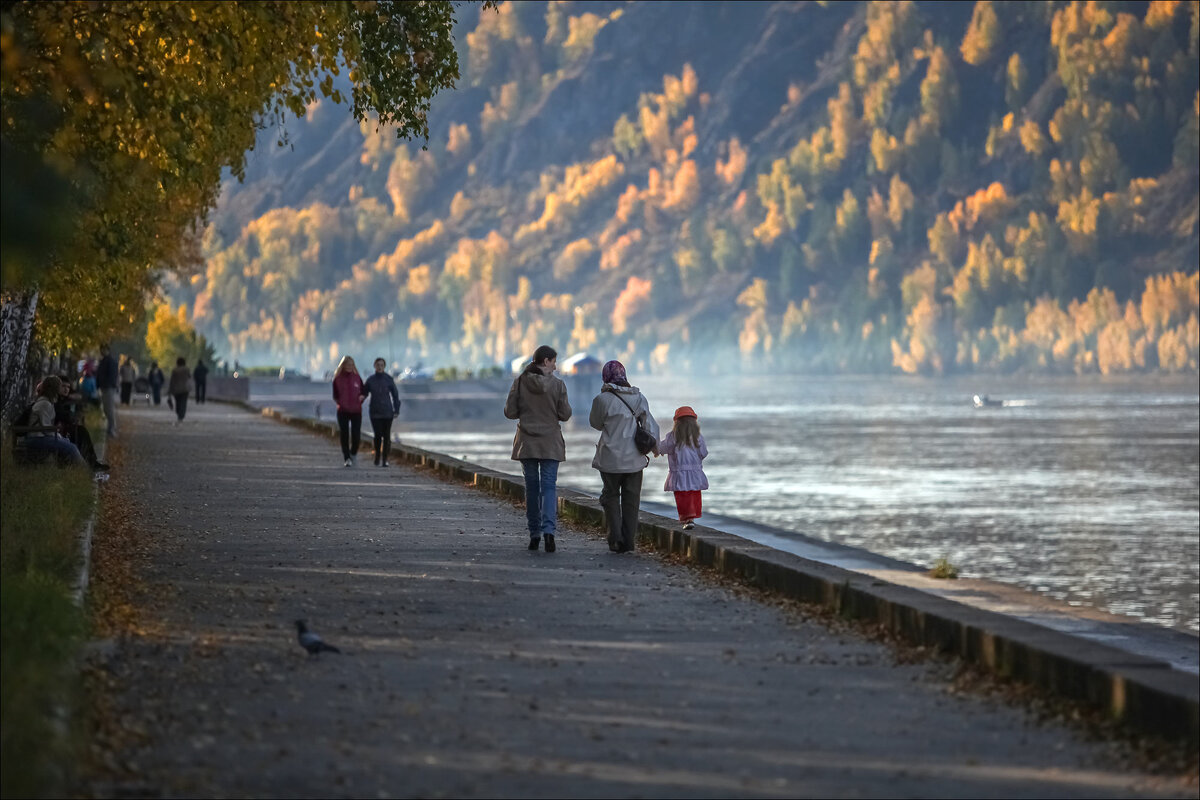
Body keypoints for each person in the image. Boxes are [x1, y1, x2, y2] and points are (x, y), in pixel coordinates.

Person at [504, 345, 572, 553]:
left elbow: (510, 412)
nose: (555, 364)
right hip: (550, 442)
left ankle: (534, 534)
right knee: (549, 487)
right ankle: (549, 532)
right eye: (553, 361)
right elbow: (565, 414)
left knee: (531, 488)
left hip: (527, 442)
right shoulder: (558, 385)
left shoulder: (520, 382)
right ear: (545, 361)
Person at [589, 359, 660, 554]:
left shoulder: (601, 400)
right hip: (634, 460)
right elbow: (650, 426)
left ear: (606, 377)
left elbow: (595, 423)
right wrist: (656, 447)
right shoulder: (639, 398)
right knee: (631, 500)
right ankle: (628, 542)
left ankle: (615, 539)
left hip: (610, 459)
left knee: (611, 497)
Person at [657, 406, 708, 531]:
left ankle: (686, 519)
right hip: (695, 472)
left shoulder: (673, 437)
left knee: (682, 496)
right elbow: (704, 453)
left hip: (679, 472)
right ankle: (691, 519)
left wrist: (655, 449)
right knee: (693, 495)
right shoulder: (698, 437)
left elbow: (662, 448)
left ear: (677, 422)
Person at [22, 376, 88, 467]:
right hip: (37, 439)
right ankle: (85, 471)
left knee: (68, 443)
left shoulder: (47, 402)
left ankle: (75, 468)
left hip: (41, 437)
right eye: (59, 387)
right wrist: (58, 436)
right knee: (72, 448)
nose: (61, 390)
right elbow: (46, 428)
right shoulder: (44, 404)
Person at [54, 376, 109, 471]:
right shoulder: (55, 401)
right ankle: (89, 464)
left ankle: (91, 462)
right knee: (80, 432)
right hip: (56, 431)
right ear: (57, 387)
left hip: (62, 429)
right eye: (63, 386)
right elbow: (62, 415)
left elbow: (78, 395)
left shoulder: (64, 399)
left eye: (68, 387)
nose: (66, 389)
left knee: (81, 431)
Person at [361, 357, 401, 467]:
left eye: (382, 365)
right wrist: (358, 401)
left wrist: (396, 409)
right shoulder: (370, 380)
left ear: (384, 366)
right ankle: (377, 455)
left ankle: (385, 459)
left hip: (387, 412)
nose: (379, 367)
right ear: (374, 366)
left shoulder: (388, 379)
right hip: (375, 412)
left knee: (387, 437)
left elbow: (395, 395)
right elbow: (364, 394)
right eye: (378, 365)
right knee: (377, 435)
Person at [331, 356, 365, 466]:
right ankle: (347, 458)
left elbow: (363, 392)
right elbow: (335, 395)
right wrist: (342, 403)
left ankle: (353, 453)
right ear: (343, 365)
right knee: (344, 434)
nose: (349, 367)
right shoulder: (337, 379)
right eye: (347, 365)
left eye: (351, 365)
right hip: (343, 411)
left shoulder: (357, 378)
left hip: (356, 411)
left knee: (356, 435)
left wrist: (361, 399)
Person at [96, 344, 119, 437]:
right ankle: (110, 428)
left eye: (103, 349)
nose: (101, 351)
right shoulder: (104, 361)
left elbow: (112, 375)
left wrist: (105, 384)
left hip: (108, 387)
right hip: (105, 387)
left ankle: (111, 429)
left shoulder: (110, 361)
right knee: (106, 409)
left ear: (107, 350)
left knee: (109, 409)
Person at [168, 357, 191, 423]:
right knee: (183, 403)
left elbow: (172, 381)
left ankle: (179, 413)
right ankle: (181, 416)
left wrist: (170, 390)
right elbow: (189, 376)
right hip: (185, 389)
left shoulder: (175, 370)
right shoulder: (187, 369)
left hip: (176, 389)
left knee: (178, 402)